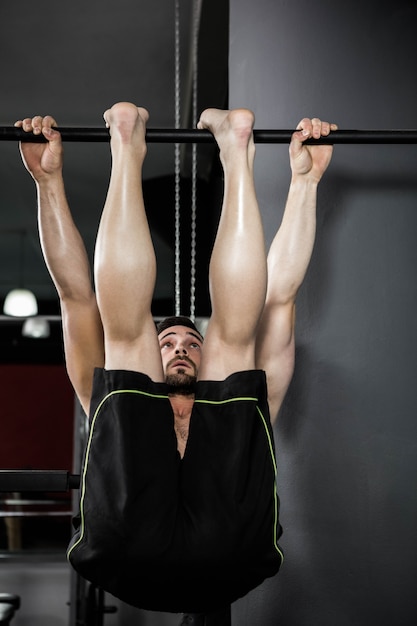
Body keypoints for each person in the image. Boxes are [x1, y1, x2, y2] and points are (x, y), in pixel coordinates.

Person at [16, 103, 336, 619]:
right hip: (229, 552)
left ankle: (132, 143)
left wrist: (48, 180)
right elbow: (75, 299)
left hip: (131, 547)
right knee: (203, 345)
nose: (182, 347)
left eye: (190, 342)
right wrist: (305, 185)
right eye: (168, 343)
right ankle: (232, 151)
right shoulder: (252, 401)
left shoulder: (113, 397)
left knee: (143, 345)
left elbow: (279, 298)